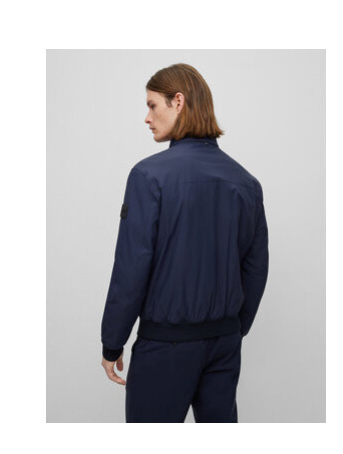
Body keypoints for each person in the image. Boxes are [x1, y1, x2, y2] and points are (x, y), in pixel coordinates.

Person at [100, 63, 269, 423]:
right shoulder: (246, 183)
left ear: (177, 102)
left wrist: (112, 341)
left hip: (166, 345)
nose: (147, 117)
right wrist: (234, 329)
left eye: (152, 105)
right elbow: (255, 268)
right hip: (224, 344)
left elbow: (131, 267)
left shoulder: (148, 176)